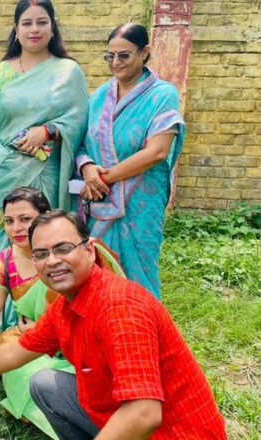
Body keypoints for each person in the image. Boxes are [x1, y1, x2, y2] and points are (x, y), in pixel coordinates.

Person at [0, 210, 227, 439]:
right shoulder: (67, 304)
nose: (53, 261)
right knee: (45, 383)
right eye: (42, 254)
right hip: (120, 412)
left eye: (63, 249)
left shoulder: (120, 306)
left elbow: (144, 413)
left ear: (89, 250)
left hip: (174, 432)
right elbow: (17, 351)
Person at [0, 188, 123, 438]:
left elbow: (100, 310)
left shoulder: (71, 260)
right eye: (9, 221)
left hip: (80, 347)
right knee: (17, 362)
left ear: (44, 219)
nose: (16, 228)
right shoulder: (6, 260)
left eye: (25, 219)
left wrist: (48, 331)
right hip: (34, 346)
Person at [0, 0, 88, 316]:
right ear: (16, 29)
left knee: (42, 241)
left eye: (42, 22)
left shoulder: (67, 71)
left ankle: (44, 318)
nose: (34, 29)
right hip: (5, 175)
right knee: (0, 241)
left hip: (45, 172)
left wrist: (48, 130)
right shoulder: (1, 72)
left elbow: (78, 119)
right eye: (27, 23)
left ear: (52, 26)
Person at [77, 23, 186, 298]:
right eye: (109, 56)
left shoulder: (162, 94)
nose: (115, 63)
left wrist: (104, 178)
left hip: (140, 200)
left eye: (124, 55)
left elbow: (157, 151)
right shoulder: (99, 96)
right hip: (98, 198)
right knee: (97, 268)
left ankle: (144, 332)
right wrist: (87, 168)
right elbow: (80, 142)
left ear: (145, 52)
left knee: (139, 271)